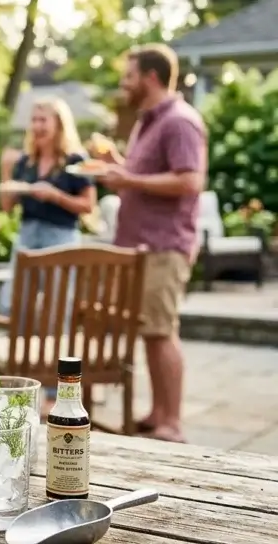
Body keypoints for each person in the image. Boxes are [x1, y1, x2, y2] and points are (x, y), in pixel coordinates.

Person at [93, 44, 207, 443]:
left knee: (161, 332)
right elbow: (144, 179)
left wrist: (128, 179)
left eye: (129, 76)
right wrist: (119, 165)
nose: (124, 84)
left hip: (164, 246)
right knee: (149, 331)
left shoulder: (179, 122)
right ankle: (157, 412)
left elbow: (190, 181)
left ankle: (172, 423)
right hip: (141, 246)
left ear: (151, 78)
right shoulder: (147, 122)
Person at [0, 98, 96, 319]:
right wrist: (5, 171)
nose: (37, 126)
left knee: (58, 306)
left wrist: (56, 196)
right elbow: (6, 207)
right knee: (17, 303)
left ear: (59, 123)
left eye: (43, 120)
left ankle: (58, 353)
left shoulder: (75, 160)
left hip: (61, 237)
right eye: (34, 120)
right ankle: (20, 352)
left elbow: (88, 205)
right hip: (27, 235)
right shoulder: (26, 162)